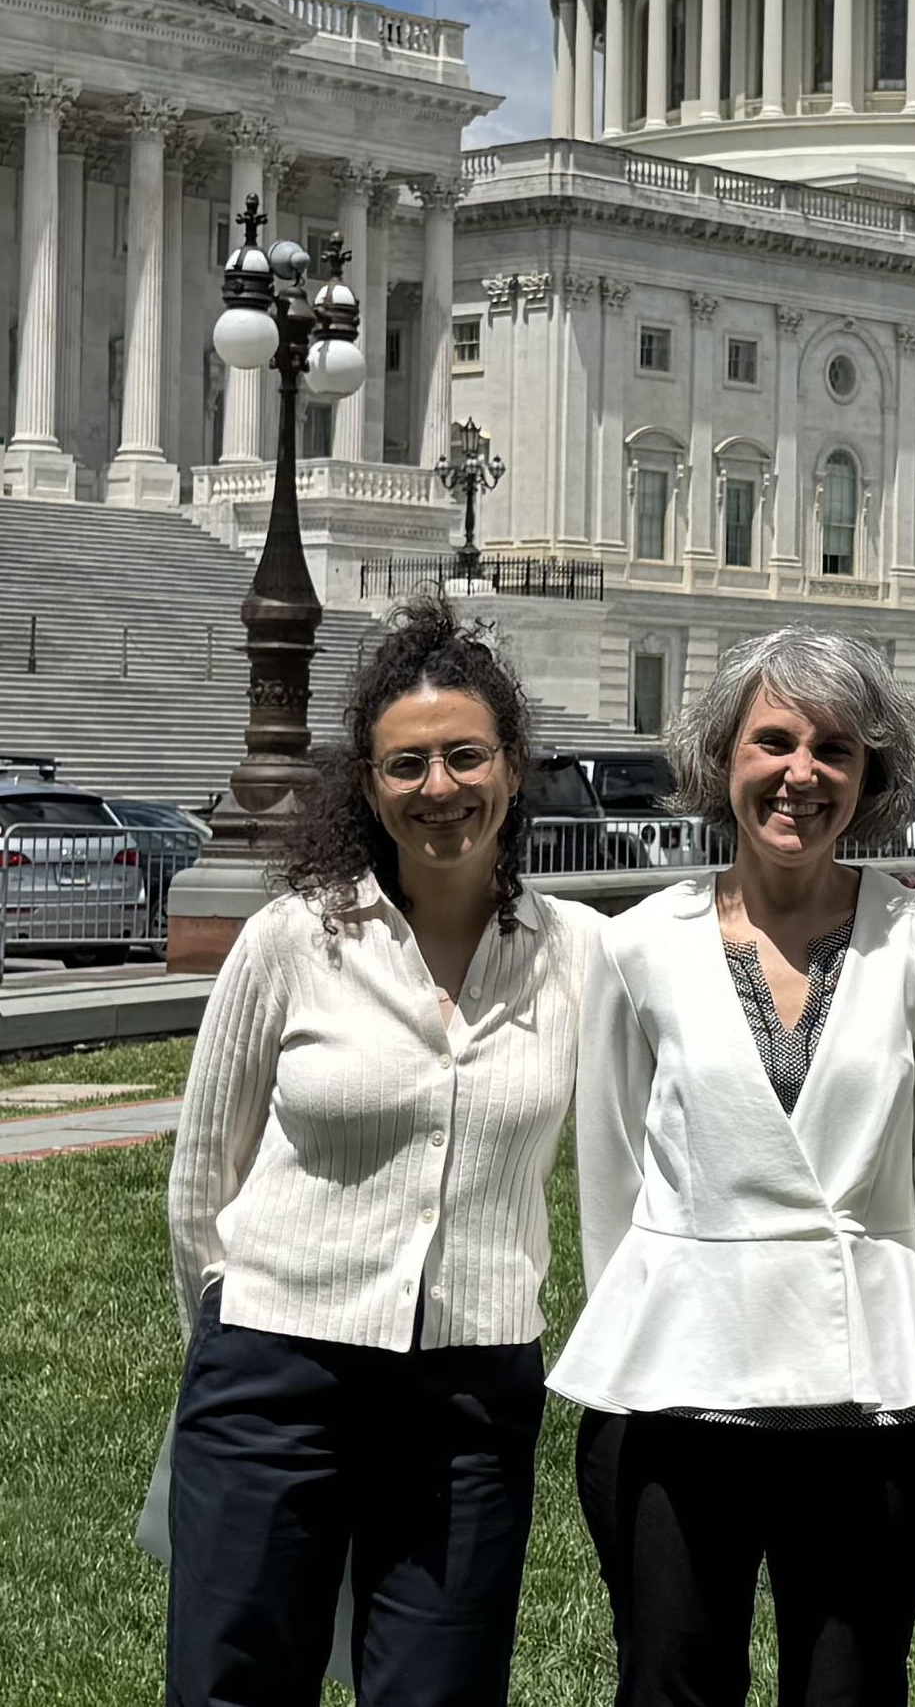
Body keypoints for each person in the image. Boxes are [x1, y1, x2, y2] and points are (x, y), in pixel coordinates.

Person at [162, 595, 602, 1706]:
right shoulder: (292, 940)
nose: (438, 787)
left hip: (470, 1392)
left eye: (465, 755)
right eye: (407, 764)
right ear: (366, 783)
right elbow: (201, 1174)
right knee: (233, 1684)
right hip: (275, 1370)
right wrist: (224, 1326)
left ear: (513, 769)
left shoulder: (580, 958)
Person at [553, 626, 915, 1707]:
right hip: (676, 1380)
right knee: (671, 1681)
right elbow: (610, 1167)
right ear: (723, 757)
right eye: (774, 741)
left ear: (869, 773)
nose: (802, 773)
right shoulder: (639, 942)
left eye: (834, 748)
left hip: (865, 1390)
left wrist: (889, 1286)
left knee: (850, 1685)